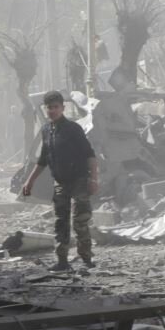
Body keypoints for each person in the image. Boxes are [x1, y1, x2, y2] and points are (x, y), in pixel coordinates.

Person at [20, 91, 99, 272]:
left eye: (56, 107)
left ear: (63, 108)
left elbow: (90, 155)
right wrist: (29, 182)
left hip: (79, 180)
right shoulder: (46, 130)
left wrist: (94, 179)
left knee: (80, 221)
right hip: (60, 183)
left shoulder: (73, 129)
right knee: (60, 222)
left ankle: (86, 258)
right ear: (45, 109)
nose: (52, 110)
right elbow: (43, 160)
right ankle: (62, 261)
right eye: (49, 107)